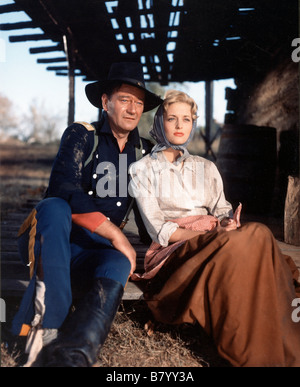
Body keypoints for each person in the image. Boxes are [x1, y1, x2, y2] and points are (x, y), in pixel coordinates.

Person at [129, 90, 300, 367]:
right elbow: (160, 231)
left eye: (186, 119)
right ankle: (249, 352)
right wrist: (211, 236)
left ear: (193, 123)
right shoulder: (142, 169)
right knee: (251, 240)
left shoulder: (206, 167)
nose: (180, 125)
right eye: (172, 118)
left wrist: (226, 223)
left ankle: (284, 337)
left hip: (216, 238)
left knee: (259, 233)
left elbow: (221, 209)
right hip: (176, 247)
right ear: (160, 122)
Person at [11, 62, 162, 367]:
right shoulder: (83, 135)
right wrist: (116, 233)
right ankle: (49, 327)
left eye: (139, 102)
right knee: (53, 206)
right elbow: (62, 187)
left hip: (95, 250)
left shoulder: (146, 151)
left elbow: (154, 211)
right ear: (106, 102)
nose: (132, 109)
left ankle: (75, 354)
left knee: (119, 260)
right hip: (53, 238)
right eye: (124, 99)